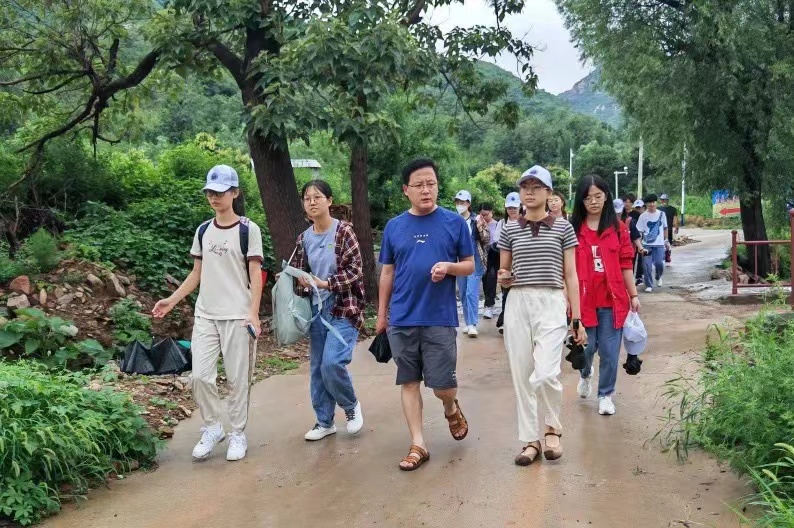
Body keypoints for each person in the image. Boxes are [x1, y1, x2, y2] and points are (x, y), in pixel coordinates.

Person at [152, 165, 263, 462]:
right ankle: (213, 427)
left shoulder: (248, 229)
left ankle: (237, 432)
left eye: (221, 192)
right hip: (206, 314)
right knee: (200, 377)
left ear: (235, 193)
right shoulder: (203, 230)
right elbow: (196, 273)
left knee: (238, 380)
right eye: (210, 192)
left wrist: (253, 314)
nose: (214, 197)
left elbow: (256, 274)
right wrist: (172, 300)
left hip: (238, 316)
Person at [377, 158, 475, 471]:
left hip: (439, 317)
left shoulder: (454, 223)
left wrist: (449, 267)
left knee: (442, 385)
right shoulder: (394, 227)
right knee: (408, 381)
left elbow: (470, 265)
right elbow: (387, 272)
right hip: (402, 318)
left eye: (431, 183)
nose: (426, 190)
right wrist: (382, 315)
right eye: (418, 185)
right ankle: (418, 443)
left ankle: (450, 406)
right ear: (405, 190)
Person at [497, 165, 586, 466]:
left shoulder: (563, 228)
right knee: (522, 374)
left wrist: (577, 318)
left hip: (551, 300)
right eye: (525, 187)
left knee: (546, 372)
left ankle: (552, 428)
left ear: (549, 193)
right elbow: (504, 271)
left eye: (537, 187)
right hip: (518, 301)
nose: (530, 192)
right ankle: (529, 441)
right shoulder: (509, 228)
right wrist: (504, 277)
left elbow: (571, 275)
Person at [288, 180, 366, 441]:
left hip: (344, 306)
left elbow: (355, 271)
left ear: (329, 201)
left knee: (332, 363)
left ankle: (351, 405)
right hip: (316, 310)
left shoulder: (343, 231)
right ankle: (324, 422)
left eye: (317, 197)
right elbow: (301, 273)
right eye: (307, 198)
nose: (312, 202)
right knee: (317, 368)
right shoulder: (304, 239)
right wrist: (296, 279)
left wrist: (327, 283)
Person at [571, 177, 642, 416]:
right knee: (587, 349)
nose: (593, 201)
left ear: (606, 197)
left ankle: (605, 395)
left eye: (598, 196)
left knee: (610, 353)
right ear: (580, 201)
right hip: (583, 302)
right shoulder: (573, 229)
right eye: (588, 198)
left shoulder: (618, 228)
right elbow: (566, 269)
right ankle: (585, 373)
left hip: (613, 301)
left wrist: (633, 295)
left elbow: (626, 264)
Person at [454, 190, 490, 337]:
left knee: (471, 292)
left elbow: (487, 239)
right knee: (463, 292)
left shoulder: (477, 219)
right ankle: (468, 322)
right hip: (459, 259)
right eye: (458, 202)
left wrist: (481, 227)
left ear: (468, 203)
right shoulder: (453, 220)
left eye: (462, 202)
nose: (459, 205)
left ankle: (472, 324)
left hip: (475, 258)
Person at [495, 192, 522, 334]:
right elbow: (496, 243)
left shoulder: (526, 223)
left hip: (521, 267)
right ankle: (505, 322)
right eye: (509, 208)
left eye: (514, 207)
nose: (512, 210)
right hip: (507, 265)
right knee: (507, 295)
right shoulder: (502, 223)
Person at [637, 194, 669, 292]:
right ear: (646, 204)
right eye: (649, 202)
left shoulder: (662, 214)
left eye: (653, 202)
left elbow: (665, 227)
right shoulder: (643, 216)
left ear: (656, 203)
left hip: (659, 244)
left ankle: (658, 276)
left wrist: (666, 240)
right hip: (646, 245)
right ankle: (649, 285)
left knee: (659, 263)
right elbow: (639, 231)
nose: (651, 204)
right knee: (647, 265)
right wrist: (639, 245)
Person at [478, 203, 499, 320]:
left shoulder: (498, 224)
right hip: (483, 255)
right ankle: (489, 304)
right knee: (486, 278)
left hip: (496, 254)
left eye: (486, 214)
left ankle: (490, 305)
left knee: (491, 277)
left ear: (491, 212)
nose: (485, 217)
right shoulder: (478, 224)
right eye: (482, 215)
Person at [658, 193, 679, 263]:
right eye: (662, 200)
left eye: (665, 200)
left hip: (668, 229)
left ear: (668, 200)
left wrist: (676, 227)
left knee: (668, 243)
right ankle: (661, 256)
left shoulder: (673, 209)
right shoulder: (658, 209)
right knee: (660, 243)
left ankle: (667, 256)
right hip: (660, 230)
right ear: (661, 200)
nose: (664, 201)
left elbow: (675, 219)